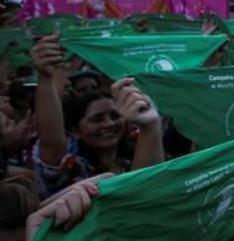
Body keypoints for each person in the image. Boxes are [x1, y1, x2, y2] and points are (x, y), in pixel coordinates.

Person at [31, 35, 163, 198]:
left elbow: (145, 187)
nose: (108, 124)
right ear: (75, 130)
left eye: (115, 116)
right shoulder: (70, 166)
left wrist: (150, 125)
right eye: (97, 119)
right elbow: (52, 143)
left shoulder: (135, 154)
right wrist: (45, 77)